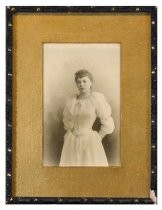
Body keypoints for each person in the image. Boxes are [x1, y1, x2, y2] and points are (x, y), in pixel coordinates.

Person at [59, 69, 115, 166]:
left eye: (84, 81)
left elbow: (107, 121)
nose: (81, 84)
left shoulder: (96, 99)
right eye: (79, 82)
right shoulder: (72, 100)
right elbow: (66, 119)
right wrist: (71, 129)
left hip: (90, 141)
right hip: (72, 140)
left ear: (91, 83)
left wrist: (99, 136)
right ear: (76, 84)